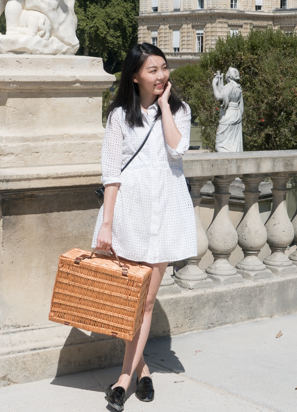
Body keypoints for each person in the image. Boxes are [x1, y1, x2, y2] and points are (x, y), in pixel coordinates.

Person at [94, 42, 197, 411]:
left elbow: (177, 150)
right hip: (128, 215)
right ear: (135, 75)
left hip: (165, 213)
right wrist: (106, 225)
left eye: (164, 68)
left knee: (147, 301)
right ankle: (142, 370)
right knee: (129, 301)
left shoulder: (179, 110)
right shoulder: (119, 116)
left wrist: (165, 106)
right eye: (153, 70)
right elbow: (111, 174)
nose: (161, 75)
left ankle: (124, 378)